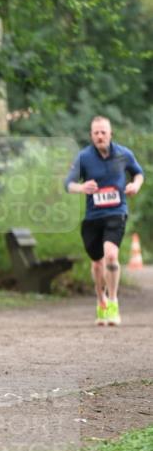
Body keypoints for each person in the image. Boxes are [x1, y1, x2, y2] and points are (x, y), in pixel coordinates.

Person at [65, 116, 144, 326]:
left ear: (110, 134)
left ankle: (113, 301)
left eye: (103, 132)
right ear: (91, 135)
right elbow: (68, 184)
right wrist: (81, 188)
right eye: (96, 133)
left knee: (111, 256)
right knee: (97, 263)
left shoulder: (123, 154)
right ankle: (100, 300)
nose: (100, 136)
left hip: (116, 213)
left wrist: (136, 185)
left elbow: (138, 174)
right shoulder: (84, 157)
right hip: (93, 218)